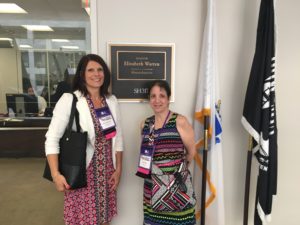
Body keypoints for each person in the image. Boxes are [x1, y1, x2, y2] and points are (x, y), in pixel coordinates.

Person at [45, 54, 124, 225]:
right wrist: (55, 174)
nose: (97, 74)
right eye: (91, 70)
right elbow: (51, 138)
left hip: (106, 173)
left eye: (100, 69)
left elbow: (118, 139)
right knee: (82, 220)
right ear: (82, 74)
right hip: (81, 172)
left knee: (104, 219)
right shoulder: (70, 100)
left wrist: (118, 170)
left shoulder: (111, 101)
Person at [139, 80, 196, 225]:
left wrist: (173, 172)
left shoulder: (180, 121)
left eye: (162, 96)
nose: (157, 100)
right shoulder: (144, 124)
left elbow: (191, 152)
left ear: (168, 98)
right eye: (153, 96)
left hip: (175, 187)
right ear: (149, 99)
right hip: (152, 187)